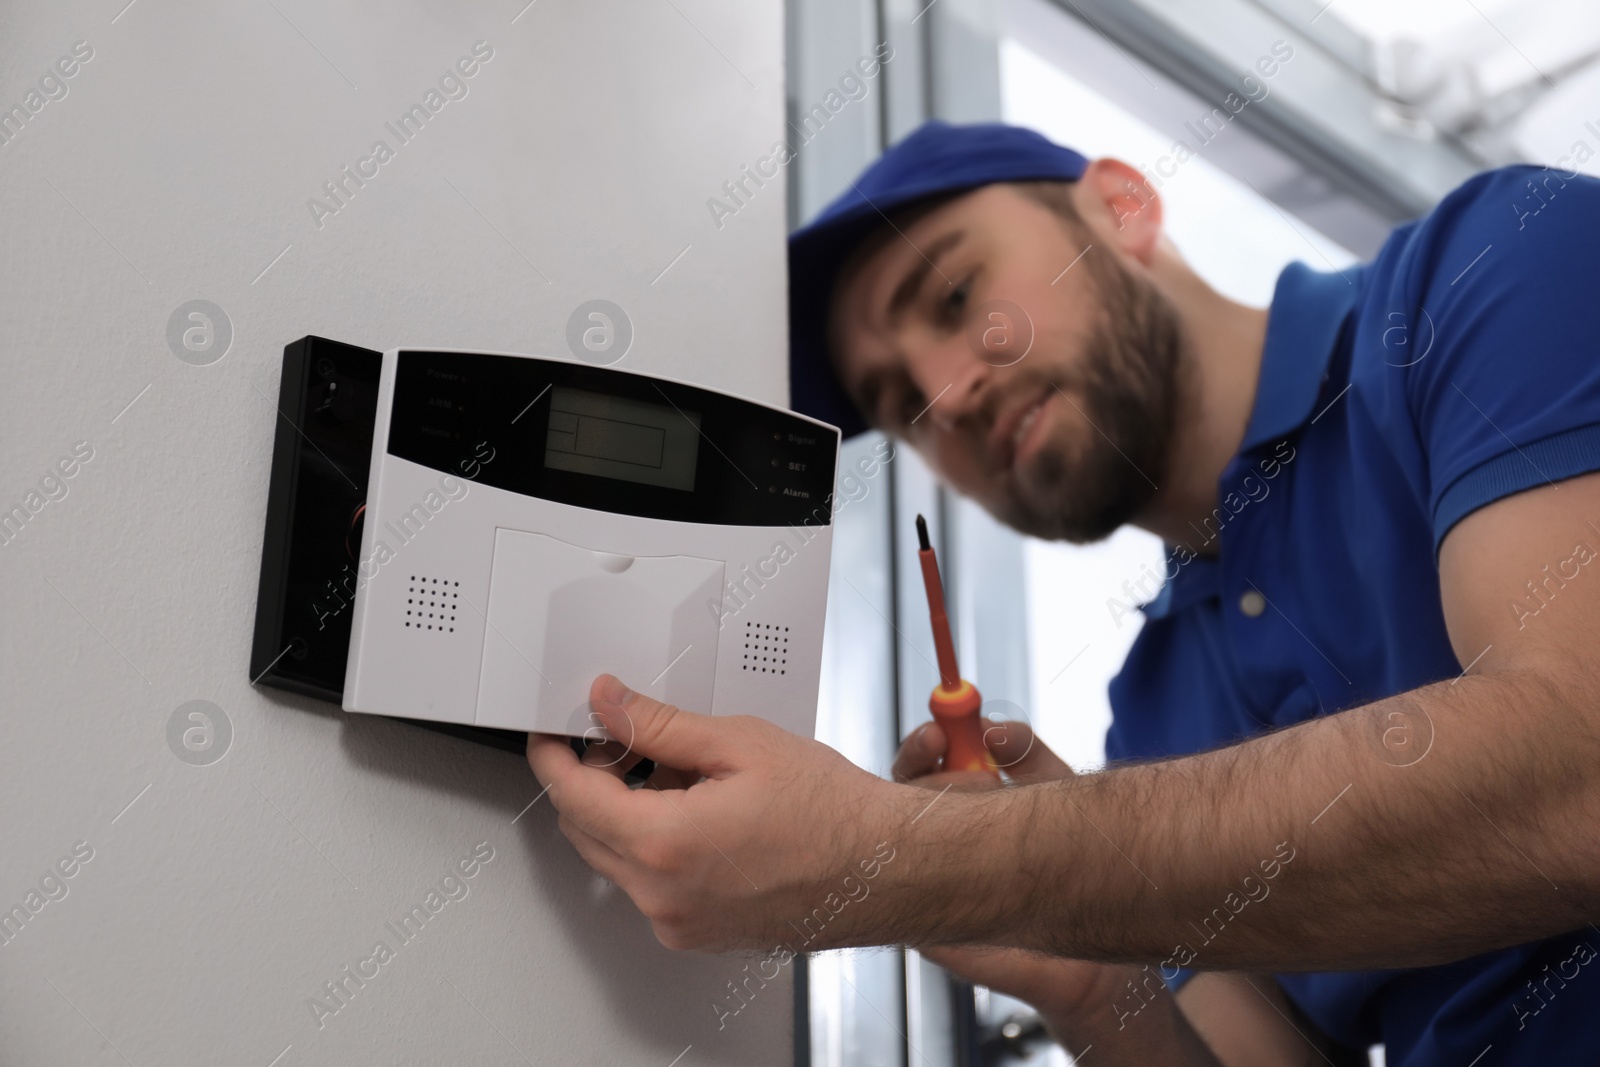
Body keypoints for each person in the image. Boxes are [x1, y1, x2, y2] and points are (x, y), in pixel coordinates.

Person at [527, 121, 1600, 1064]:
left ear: (1121, 205)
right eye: (900, 403)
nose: (947, 394)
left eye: (953, 295)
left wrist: (907, 858)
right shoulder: (1157, 710)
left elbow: (1576, 769)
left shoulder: (1495, 268)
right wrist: (1081, 967)